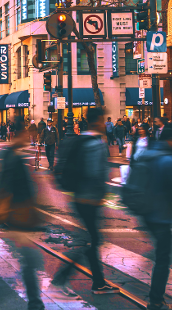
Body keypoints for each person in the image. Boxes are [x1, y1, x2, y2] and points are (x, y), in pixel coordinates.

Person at [52, 107, 120, 297]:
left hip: (78, 196)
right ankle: (61, 279)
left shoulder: (80, 140)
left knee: (91, 241)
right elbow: (95, 173)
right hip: (90, 199)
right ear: (98, 121)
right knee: (90, 241)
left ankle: (98, 282)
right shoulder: (96, 144)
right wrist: (102, 196)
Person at [0, 127, 45, 309]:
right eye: (27, 135)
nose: (30, 138)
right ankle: (35, 302)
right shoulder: (14, 158)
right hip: (18, 214)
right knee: (28, 261)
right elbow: (10, 186)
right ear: (20, 134)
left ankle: (35, 302)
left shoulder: (9, 154)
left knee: (27, 261)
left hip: (15, 214)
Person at [142, 125, 172, 310]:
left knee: (160, 254)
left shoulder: (150, 152)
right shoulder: (168, 160)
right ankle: (156, 301)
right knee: (163, 258)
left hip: (146, 211)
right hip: (161, 215)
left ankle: (156, 298)